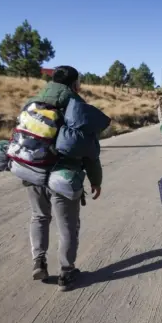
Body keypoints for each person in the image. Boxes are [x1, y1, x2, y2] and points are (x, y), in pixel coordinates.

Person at [27, 66, 103, 291]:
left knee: (39, 216)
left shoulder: (33, 103)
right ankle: (66, 273)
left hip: (33, 172)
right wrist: (96, 180)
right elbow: (89, 150)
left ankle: (38, 261)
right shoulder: (78, 109)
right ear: (75, 84)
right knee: (67, 225)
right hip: (64, 175)